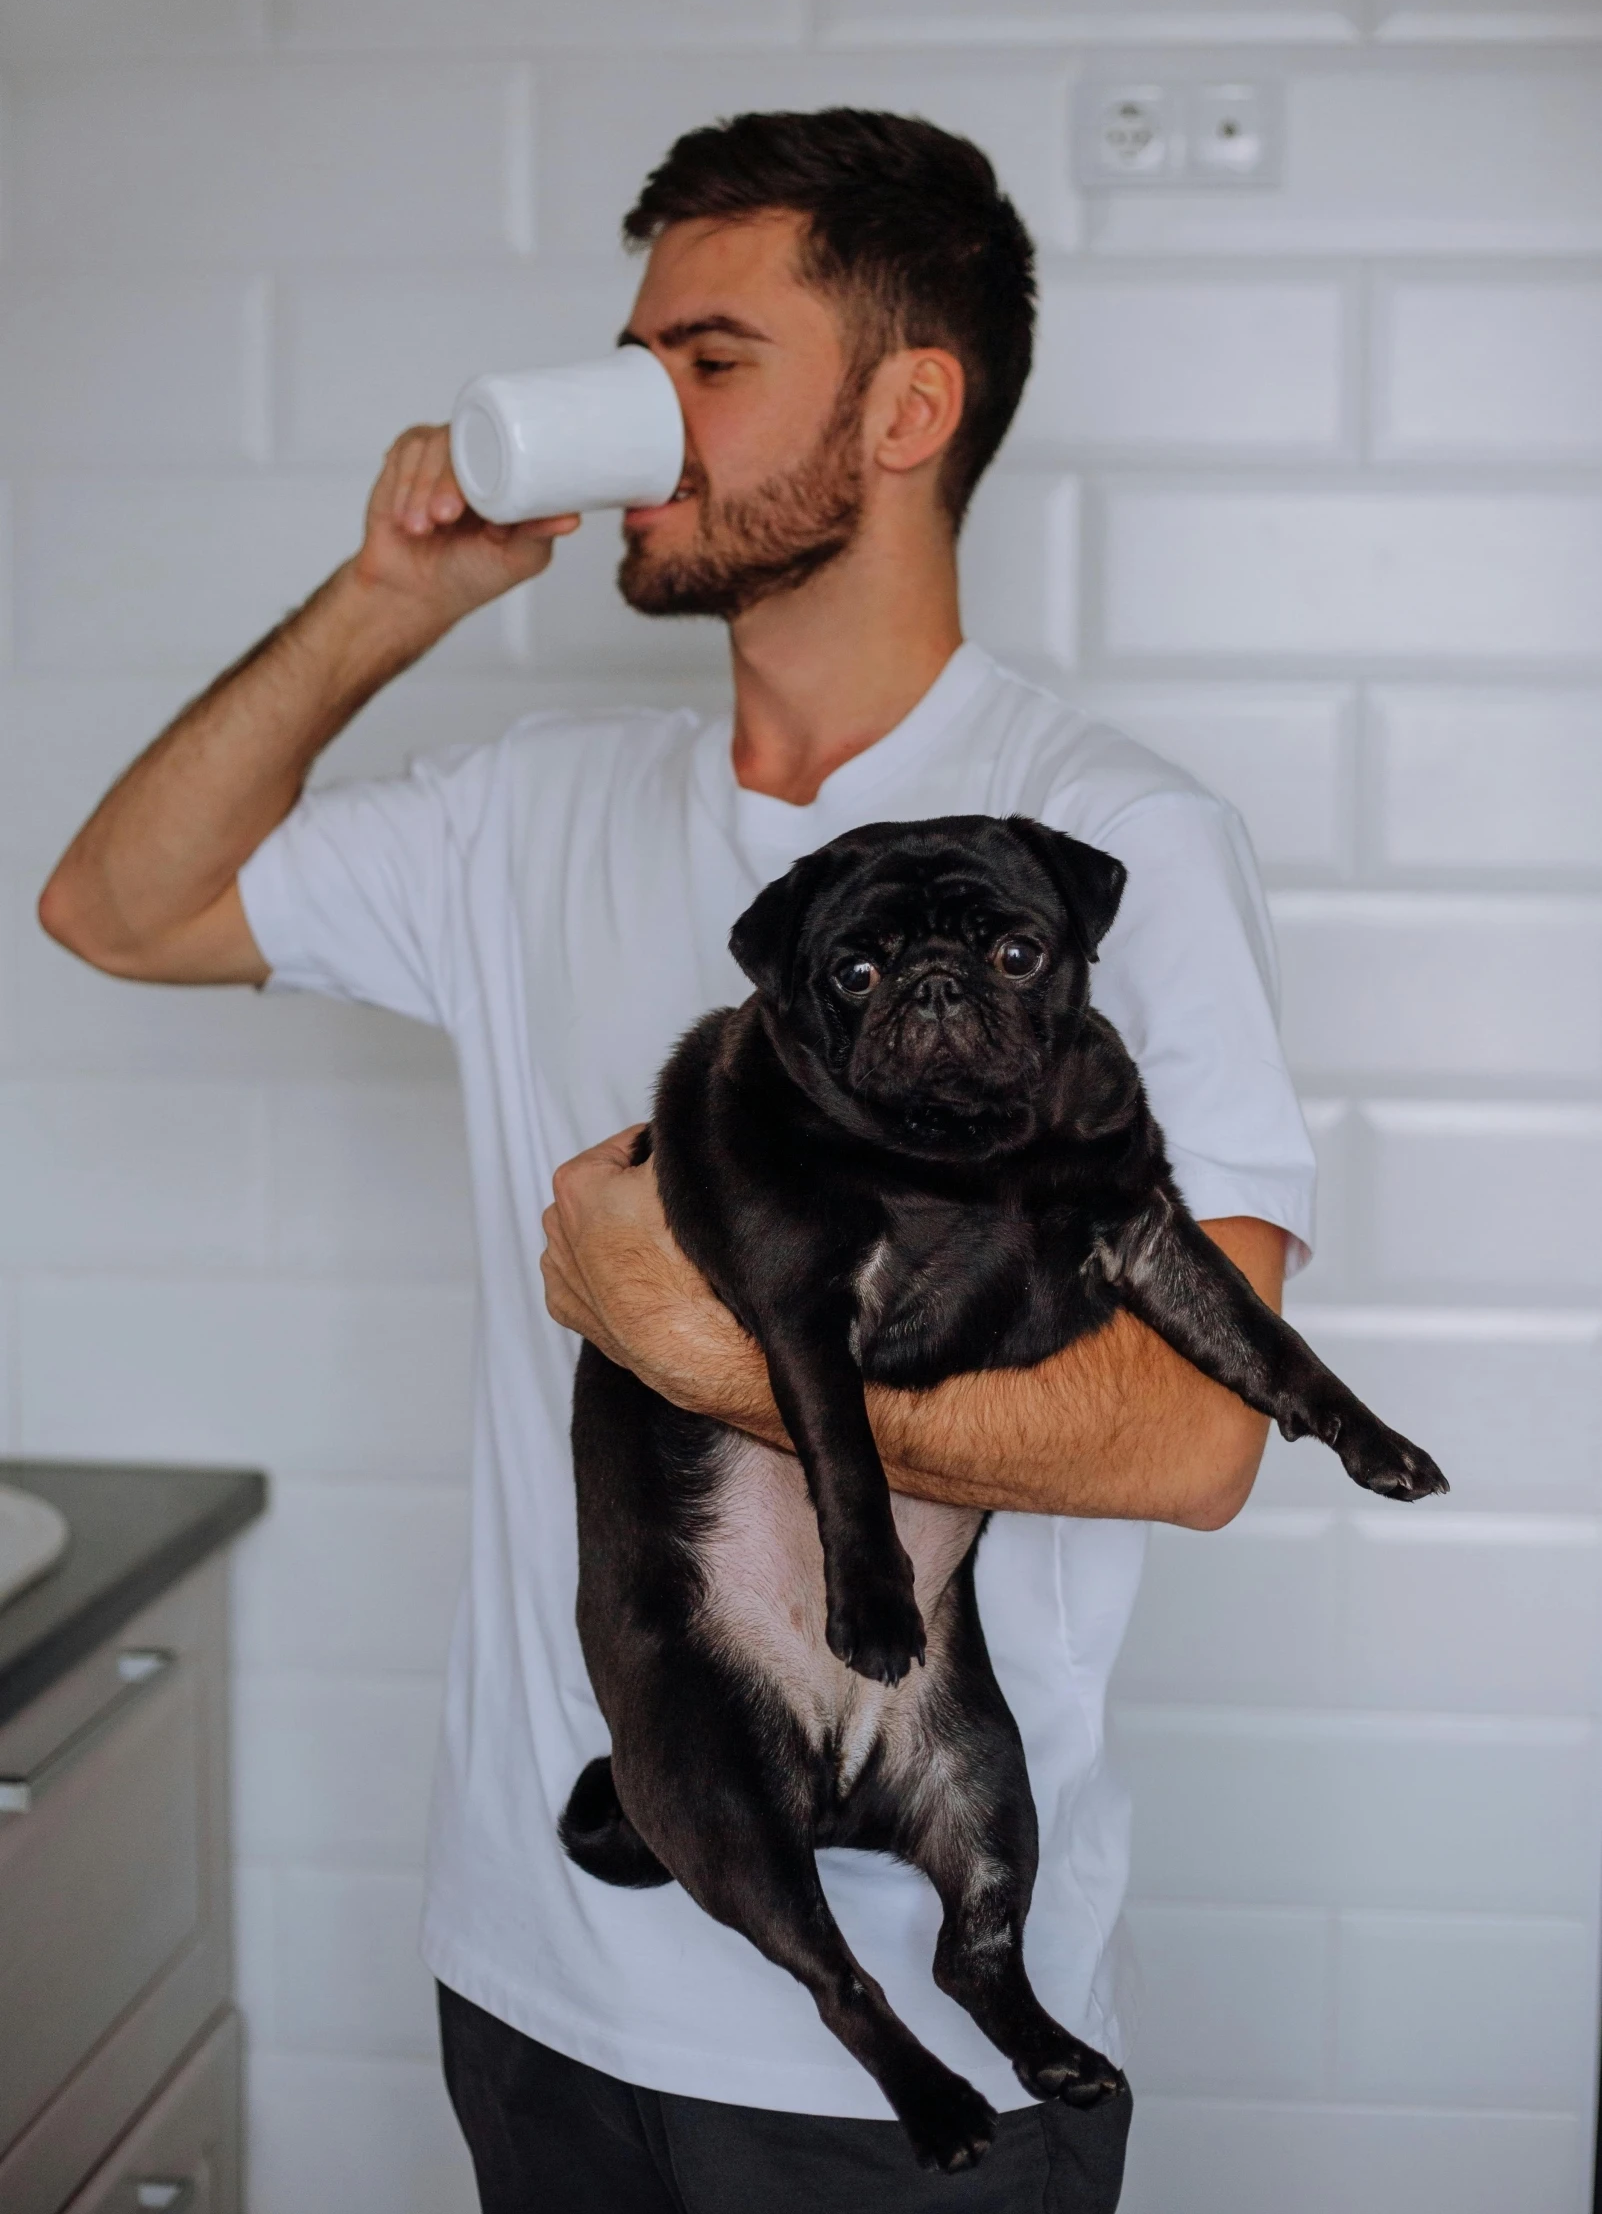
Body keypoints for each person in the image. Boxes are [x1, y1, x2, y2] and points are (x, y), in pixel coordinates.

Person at [40, 109, 1313, 2214]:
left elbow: (1198, 1430)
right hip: (530, 1974)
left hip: (919, 2039)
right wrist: (387, 601)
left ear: (911, 405)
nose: (643, 418)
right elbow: (118, 906)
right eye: (632, 357)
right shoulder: (531, 807)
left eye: (707, 362)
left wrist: (708, 1343)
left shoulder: (1103, 845)